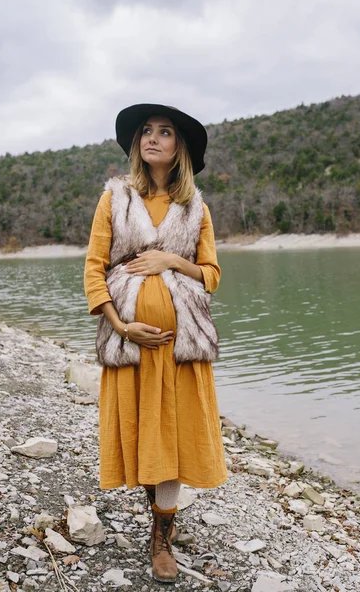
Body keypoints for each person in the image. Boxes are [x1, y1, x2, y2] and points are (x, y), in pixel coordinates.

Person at [84, 103, 227, 583]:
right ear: (136, 145)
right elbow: (93, 270)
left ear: (178, 147)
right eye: (146, 131)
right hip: (130, 344)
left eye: (164, 132)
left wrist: (169, 259)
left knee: (173, 435)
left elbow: (211, 275)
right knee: (145, 432)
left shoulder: (195, 206)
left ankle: (161, 538)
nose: (153, 138)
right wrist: (122, 327)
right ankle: (158, 510)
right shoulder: (115, 198)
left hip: (180, 345)